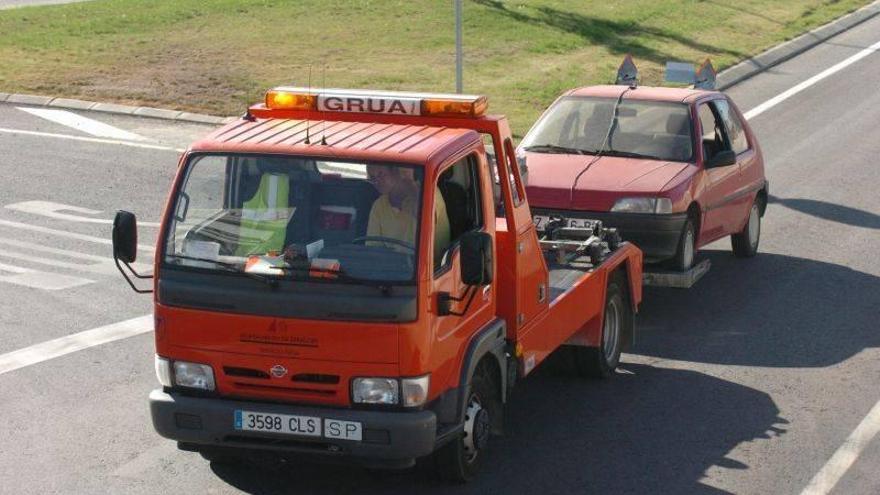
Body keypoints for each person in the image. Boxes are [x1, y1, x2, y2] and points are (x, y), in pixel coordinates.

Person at [366, 164, 450, 265]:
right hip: (391, 270)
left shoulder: (430, 193)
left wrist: (410, 186)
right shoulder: (379, 205)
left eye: (381, 175)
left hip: (430, 269)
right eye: (372, 178)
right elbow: (373, 249)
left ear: (396, 172)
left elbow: (427, 224)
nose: (377, 182)